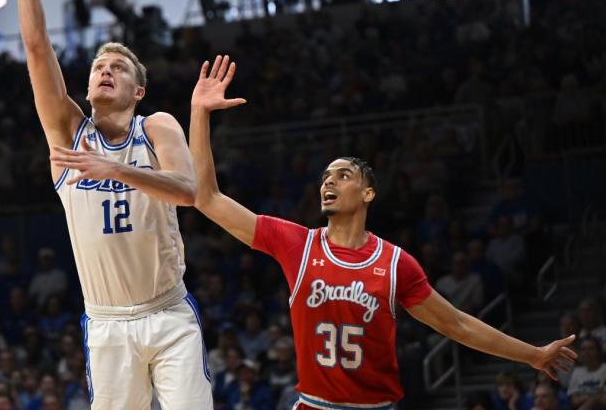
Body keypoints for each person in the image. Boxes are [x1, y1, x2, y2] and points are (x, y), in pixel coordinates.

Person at [187, 55, 577, 410]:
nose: (329, 182)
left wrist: (532, 354)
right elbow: (208, 199)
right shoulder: (297, 244)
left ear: (369, 193)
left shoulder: (394, 264)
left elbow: (457, 324)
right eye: (325, 177)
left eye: (343, 176)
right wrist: (199, 113)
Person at [0, 0, 212, 409]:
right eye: (97, 68)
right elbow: (37, 46)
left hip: (169, 312)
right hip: (108, 322)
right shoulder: (68, 134)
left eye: (119, 68)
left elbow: (189, 190)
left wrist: (112, 167)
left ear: (138, 91)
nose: (105, 71)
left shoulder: (156, 127)